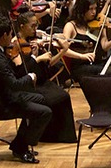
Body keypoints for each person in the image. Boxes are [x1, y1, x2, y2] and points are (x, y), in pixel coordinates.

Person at [0, 14, 52, 163]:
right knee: (44, 112)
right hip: (1, 103)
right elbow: (14, 84)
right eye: (11, 34)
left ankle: (19, 143)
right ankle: (21, 148)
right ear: (4, 35)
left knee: (42, 99)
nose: (13, 37)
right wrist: (30, 77)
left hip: (5, 95)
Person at [8, 11, 76, 143]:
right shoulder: (15, 44)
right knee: (54, 98)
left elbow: (49, 63)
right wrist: (36, 57)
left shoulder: (33, 42)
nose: (36, 29)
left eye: (36, 26)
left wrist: (62, 51)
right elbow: (21, 71)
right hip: (29, 85)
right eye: (32, 26)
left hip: (42, 81)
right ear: (22, 26)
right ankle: (45, 134)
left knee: (64, 96)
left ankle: (61, 136)